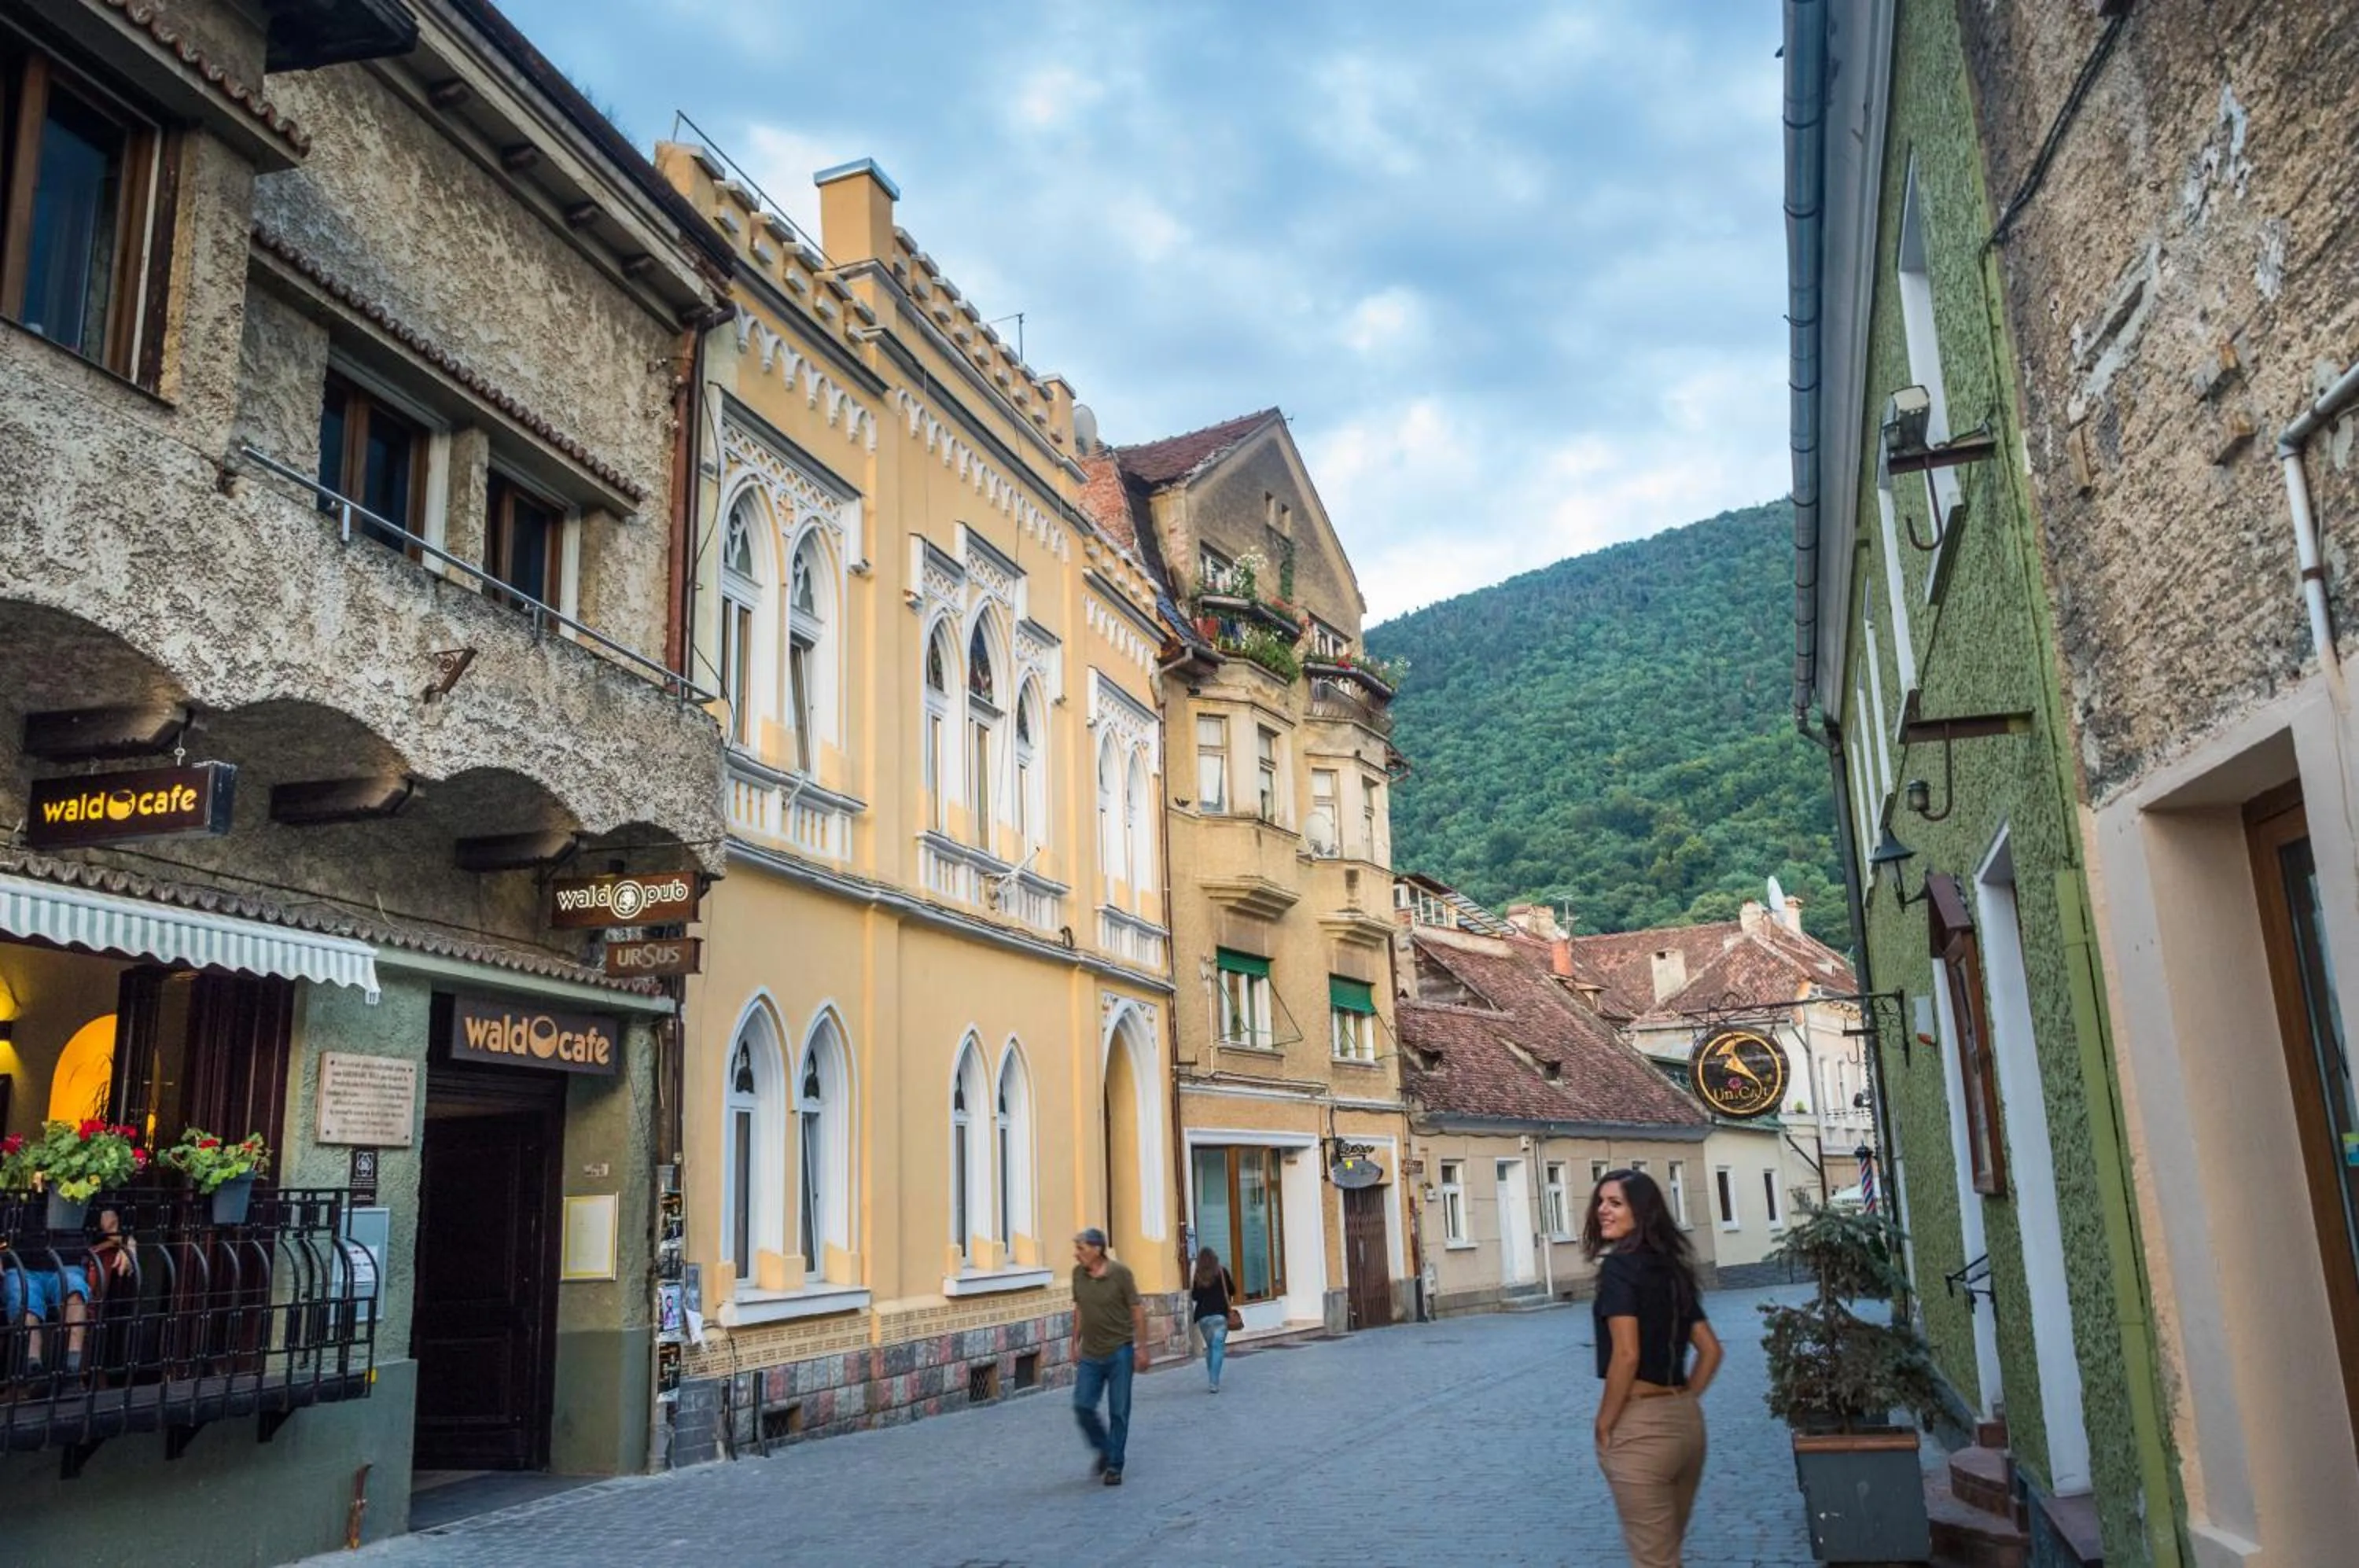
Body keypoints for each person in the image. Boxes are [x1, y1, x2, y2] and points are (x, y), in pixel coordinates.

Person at [1584, 1168, 1724, 1568]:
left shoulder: (1618, 1270)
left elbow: (1626, 1355)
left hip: (1640, 1428)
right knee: (1667, 1554)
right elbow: (1711, 1351)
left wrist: (1605, 1423)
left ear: (1641, 1213)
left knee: (1655, 1561)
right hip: (1687, 1424)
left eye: (1615, 1203)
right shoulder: (1673, 1269)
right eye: (1600, 1201)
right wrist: (1682, 1402)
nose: (1602, 1211)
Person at [1069, 1226, 1150, 1485]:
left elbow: (1137, 1310)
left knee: (1119, 1411)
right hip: (1091, 1354)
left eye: (1081, 1249)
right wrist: (1074, 1341)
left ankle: (1115, 1465)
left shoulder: (1120, 1274)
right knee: (1082, 1405)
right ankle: (1105, 1447)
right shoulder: (1078, 1275)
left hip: (1120, 1351)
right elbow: (1080, 1308)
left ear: (1097, 1249)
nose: (1076, 1254)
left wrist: (1142, 1347)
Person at [1189, 1246, 1238, 1393]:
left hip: (1204, 1318)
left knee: (1211, 1347)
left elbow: (1195, 1296)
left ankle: (1212, 1377)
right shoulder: (1222, 1272)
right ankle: (1213, 1381)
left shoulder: (1198, 1275)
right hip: (1220, 1316)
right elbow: (1232, 1290)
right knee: (1218, 1347)